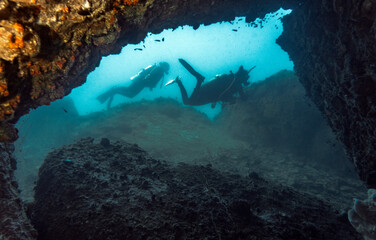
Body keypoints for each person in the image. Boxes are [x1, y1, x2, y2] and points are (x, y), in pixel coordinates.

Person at [165, 58, 255, 108]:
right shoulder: (237, 84)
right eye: (246, 78)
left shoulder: (230, 78)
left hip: (207, 90)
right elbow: (243, 98)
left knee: (187, 102)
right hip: (210, 95)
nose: (246, 80)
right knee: (188, 102)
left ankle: (179, 81)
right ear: (242, 77)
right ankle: (198, 80)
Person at [97, 62, 170, 109]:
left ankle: (114, 90)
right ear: (163, 67)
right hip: (141, 83)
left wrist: (150, 85)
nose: (166, 69)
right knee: (131, 95)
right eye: (166, 68)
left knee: (128, 90)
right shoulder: (159, 71)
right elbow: (152, 80)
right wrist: (150, 85)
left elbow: (152, 80)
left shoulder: (158, 70)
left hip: (139, 81)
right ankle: (115, 90)